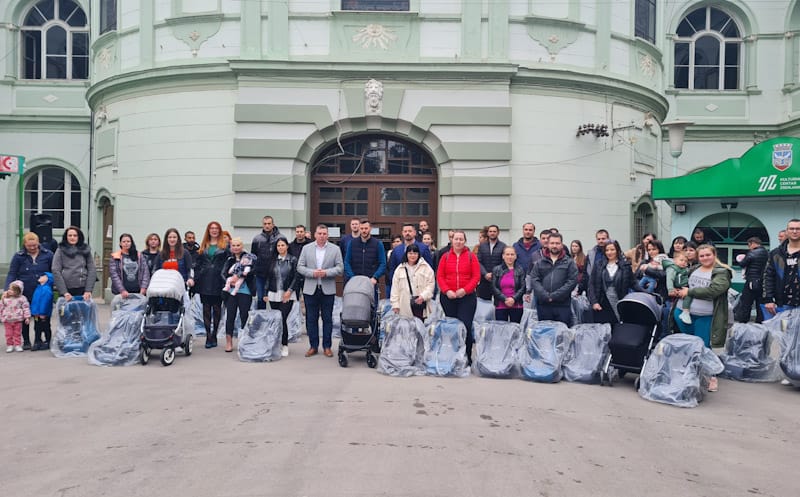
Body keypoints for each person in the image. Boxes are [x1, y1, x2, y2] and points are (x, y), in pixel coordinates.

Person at [674, 244, 732, 391]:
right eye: (702, 256)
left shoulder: (722, 272)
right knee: (688, 346)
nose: (705, 258)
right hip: (683, 312)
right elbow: (683, 282)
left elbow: (714, 290)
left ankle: (711, 376)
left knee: (704, 347)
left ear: (714, 255)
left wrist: (690, 292)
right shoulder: (694, 269)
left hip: (705, 316)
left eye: (708, 255)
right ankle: (689, 375)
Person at [297, 224, 344, 358]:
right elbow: (300, 267)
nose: (322, 236)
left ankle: (327, 347)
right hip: (310, 289)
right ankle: (313, 346)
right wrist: (312, 273)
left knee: (327, 319)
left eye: (324, 234)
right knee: (311, 319)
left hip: (327, 289)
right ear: (315, 235)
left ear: (327, 235)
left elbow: (340, 268)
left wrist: (326, 273)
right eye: (320, 233)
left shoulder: (335, 249)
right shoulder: (307, 249)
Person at [436, 230, 481, 364]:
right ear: (452, 240)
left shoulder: (471, 257)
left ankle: (466, 356)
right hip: (448, 297)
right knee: (452, 327)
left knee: (465, 326)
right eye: (456, 239)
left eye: (461, 239)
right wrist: (447, 290)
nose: (458, 241)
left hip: (467, 297)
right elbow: (440, 276)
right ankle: (452, 355)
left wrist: (465, 290)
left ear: (465, 241)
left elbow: (476, 277)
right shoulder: (445, 256)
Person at [4, 232, 54, 350]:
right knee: (23, 317)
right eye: (29, 246)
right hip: (24, 292)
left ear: (38, 243)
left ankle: (40, 339)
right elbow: (12, 273)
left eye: (34, 245)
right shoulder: (18, 256)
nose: (32, 248)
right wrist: (7, 290)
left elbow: (54, 271)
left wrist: (49, 279)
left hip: (42, 293)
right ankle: (26, 340)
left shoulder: (48, 255)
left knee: (41, 317)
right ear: (24, 244)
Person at [193, 221, 229, 349]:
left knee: (217, 309)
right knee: (206, 309)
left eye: (216, 228)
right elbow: (197, 265)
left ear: (219, 230)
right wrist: (195, 278)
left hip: (219, 281)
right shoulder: (203, 246)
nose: (214, 230)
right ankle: (208, 336)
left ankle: (214, 334)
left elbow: (229, 263)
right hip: (205, 281)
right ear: (208, 231)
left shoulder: (225, 246)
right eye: (211, 228)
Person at [531, 233, 578, 326]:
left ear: (561, 245)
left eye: (557, 243)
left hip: (562, 305)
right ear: (548, 244)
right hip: (543, 305)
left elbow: (572, 281)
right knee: (545, 334)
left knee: (562, 335)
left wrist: (554, 296)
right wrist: (545, 295)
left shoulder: (569, 262)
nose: (554, 246)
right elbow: (534, 279)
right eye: (552, 243)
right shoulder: (540, 262)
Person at [265, 237, 301, 357]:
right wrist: (265, 293)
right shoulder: (272, 260)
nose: (280, 247)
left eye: (282, 245)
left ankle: (285, 345)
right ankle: (276, 344)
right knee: (276, 320)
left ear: (287, 246)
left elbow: (297, 277)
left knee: (282, 317)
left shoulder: (293, 259)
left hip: (287, 294)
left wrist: (290, 291)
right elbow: (268, 278)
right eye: (278, 246)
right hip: (274, 293)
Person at [221, 238, 256, 352]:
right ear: (231, 247)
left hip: (245, 291)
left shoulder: (248, 257)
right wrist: (229, 280)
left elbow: (252, 271)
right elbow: (223, 273)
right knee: (230, 316)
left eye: (238, 245)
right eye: (233, 245)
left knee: (244, 316)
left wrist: (239, 275)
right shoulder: (229, 259)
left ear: (241, 246)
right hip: (231, 291)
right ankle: (229, 341)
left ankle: (245, 340)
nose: (235, 247)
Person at [589, 239, 633, 324]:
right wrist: (594, 302)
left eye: (612, 250)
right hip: (601, 303)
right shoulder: (599, 264)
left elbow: (633, 283)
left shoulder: (625, 265)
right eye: (607, 250)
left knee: (618, 328)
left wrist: (646, 292)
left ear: (617, 250)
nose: (609, 252)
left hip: (619, 302)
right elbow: (591, 284)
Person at [763, 219, 800, 316]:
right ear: (787, 232)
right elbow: (769, 277)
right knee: (782, 331)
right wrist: (769, 298)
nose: (795, 231)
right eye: (792, 229)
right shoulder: (776, 254)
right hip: (782, 304)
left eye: (798, 229)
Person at [390, 244, 435, 320]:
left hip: (420, 305)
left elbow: (431, 285)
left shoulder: (426, 268)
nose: (412, 256)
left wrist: (423, 296)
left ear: (418, 254)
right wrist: (395, 305)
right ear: (406, 254)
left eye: (415, 253)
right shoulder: (400, 269)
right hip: (404, 306)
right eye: (410, 253)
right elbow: (395, 288)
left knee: (420, 328)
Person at [52, 226, 96, 302]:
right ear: (66, 237)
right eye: (70, 235)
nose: (72, 238)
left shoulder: (85, 250)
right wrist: (64, 292)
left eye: (75, 235)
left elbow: (92, 270)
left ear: (79, 237)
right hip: (67, 289)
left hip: (83, 288)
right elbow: (55, 270)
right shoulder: (60, 250)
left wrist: (88, 290)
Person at [387, 223, 433, 295]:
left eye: (410, 231)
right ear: (402, 233)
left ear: (414, 233)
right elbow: (392, 269)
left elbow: (429, 269)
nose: (407, 233)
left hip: (420, 290)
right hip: (402, 289)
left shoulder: (423, 248)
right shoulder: (396, 250)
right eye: (405, 231)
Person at [344, 219, 386, 292]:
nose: (364, 231)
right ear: (359, 229)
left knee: (372, 303)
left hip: (371, 282)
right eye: (362, 228)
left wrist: (375, 277)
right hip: (354, 283)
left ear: (370, 228)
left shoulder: (378, 244)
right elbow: (347, 262)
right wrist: (352, 277)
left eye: (366, 228)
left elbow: (383, 263)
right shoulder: (352, 243)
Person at [734, 237, 768, 323]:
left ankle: (743, 322)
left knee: (746, 303)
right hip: (762, 282)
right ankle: (760, 323)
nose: (749, 247)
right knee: (760, 304)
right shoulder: (766, 252)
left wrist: (740, 259)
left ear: (752, 243)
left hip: (751, 281)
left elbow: (742, 264)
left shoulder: (752, 253)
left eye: (749, 245)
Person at [251, 215, 282, 310]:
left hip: (275, 274)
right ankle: (261, 322)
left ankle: (276, 323)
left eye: (269, 223)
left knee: (276, 300)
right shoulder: (257, 239)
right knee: (261, 299)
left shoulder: (280, 238)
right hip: (260, 274)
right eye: (265, 224)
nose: (267, 226)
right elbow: (253, 256)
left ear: (273, 225)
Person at [109, 233, 150, 298]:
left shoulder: (139, 255)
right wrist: (122, 290)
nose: (126, 243)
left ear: (131, 243)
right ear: (120, 244)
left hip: (138, 292)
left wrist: (144, 288)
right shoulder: (115, 257)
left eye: (128, 241)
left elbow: (145, 272)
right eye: (124, 241)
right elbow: (114, 276)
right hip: (122, 294)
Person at [491, 246, 526, 323]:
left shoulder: (520, 270)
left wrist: (513, 299)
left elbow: (522, 287)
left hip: (516, 305)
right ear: (503, 256)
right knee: (501, 330)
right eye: (507, 254)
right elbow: (494, 287)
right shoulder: (496, 270)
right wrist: (505, 299)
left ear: (515, 256)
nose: (510, 257)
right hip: (501, 304)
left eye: (512, 254)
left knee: (515, 330)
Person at [476, 225, 507, 301]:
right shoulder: (482, 246)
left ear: (498, 233)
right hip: (484, 280)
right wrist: (485, 274)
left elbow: (504, 263)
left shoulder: (503, 246)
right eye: (490, 231)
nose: (492, 233)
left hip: (498, 281)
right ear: (488, 233)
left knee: (498, 305)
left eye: (494, 231)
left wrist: (495, 274)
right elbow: (478, 262)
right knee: (483, 305)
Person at [1, 281, 31, 353]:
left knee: (17, 333)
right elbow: (1, 307)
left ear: (17, 291)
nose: (9, 291)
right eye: (9, 289)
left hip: (18, 319)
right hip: (7, 319)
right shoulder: (5, 298)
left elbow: (26, 308)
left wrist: (27, 317)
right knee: (8, 333)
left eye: (12, 290)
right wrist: (2, 316)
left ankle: (18, 344)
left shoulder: (22, 298)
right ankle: (10, 345)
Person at [29, 271, 54, 350]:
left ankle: (47, 342)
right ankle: (37, 341)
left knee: (45, 327)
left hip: (43, 314)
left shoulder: (46, 289)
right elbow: (35, 301)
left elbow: (45, 302)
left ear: (47, 279)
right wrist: (34, 311)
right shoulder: (39, 288)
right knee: (37, 327)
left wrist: (43, 313)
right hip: (37, 313)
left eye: (43, 276)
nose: (41, 276)